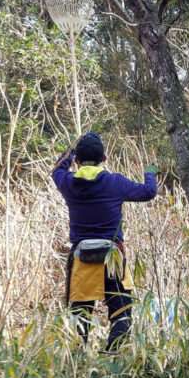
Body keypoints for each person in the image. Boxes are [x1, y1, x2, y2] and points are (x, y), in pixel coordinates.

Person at [52, 132, 157, 351]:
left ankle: (76, 365)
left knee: (79, 315)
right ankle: (111, 357)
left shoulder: (70, 183)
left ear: (78, 161)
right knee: (121, 314)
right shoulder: (114, 182)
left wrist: (72, 150)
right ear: (104, 159)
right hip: (113, 258)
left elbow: (57, 170)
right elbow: (149, 192)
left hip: (82, 259)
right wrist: (150, 169)